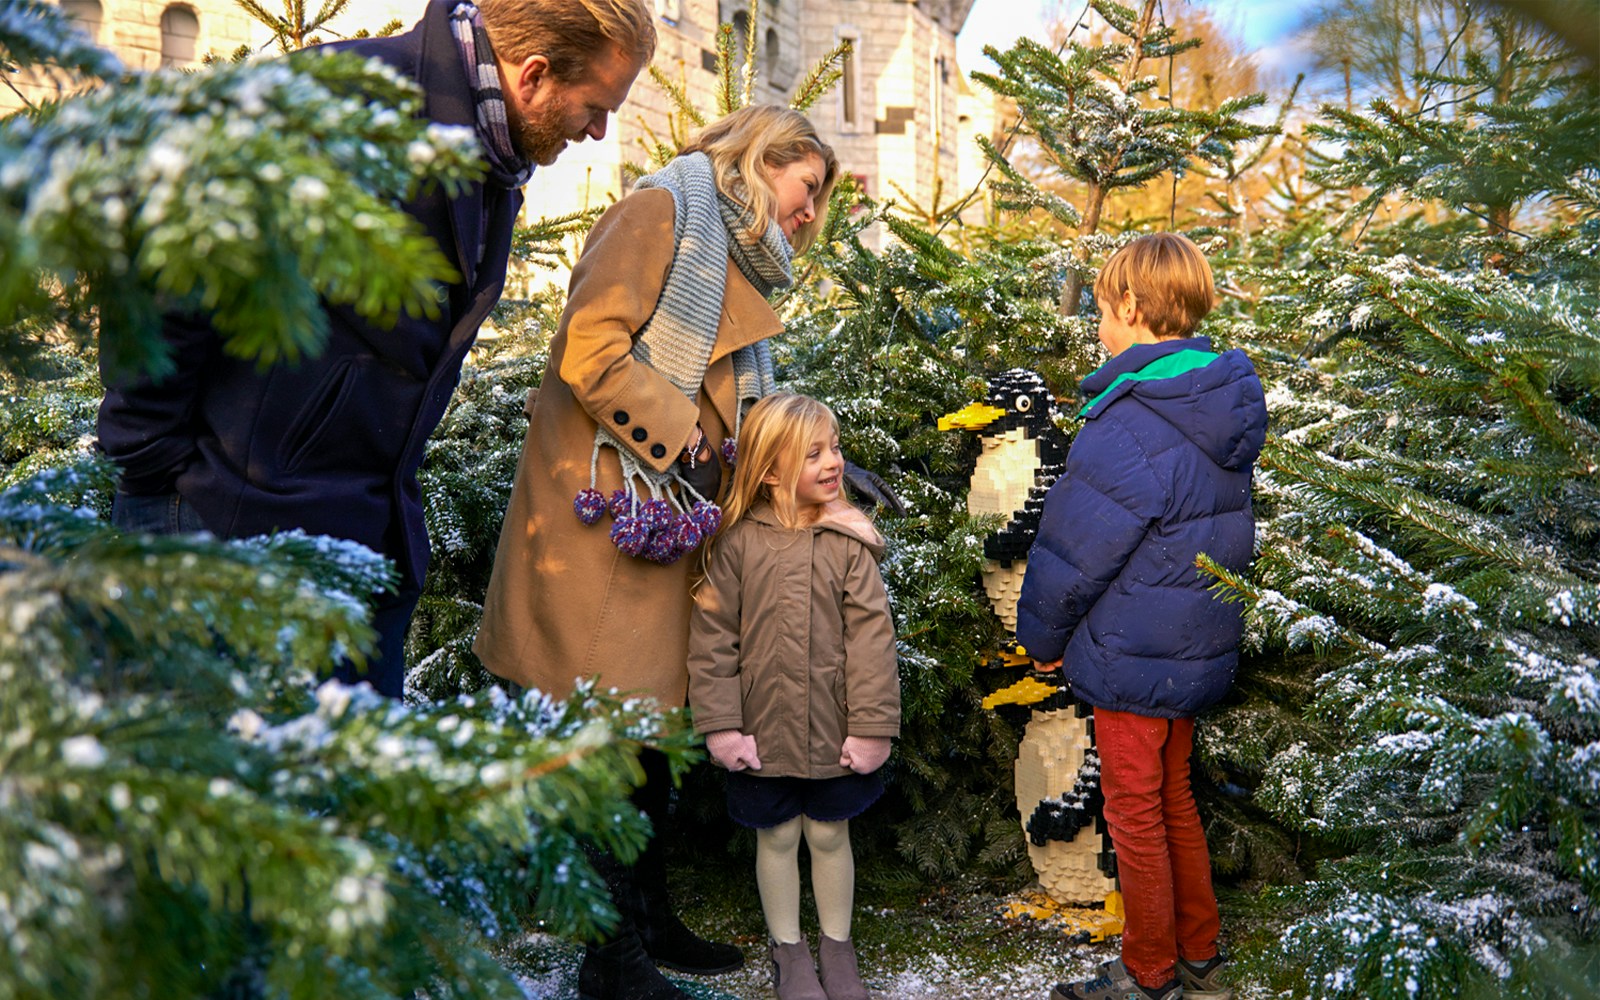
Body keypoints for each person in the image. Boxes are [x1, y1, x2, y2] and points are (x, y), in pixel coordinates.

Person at [95, 0, 657, 699]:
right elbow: (166, 264)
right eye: (596, 105)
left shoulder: (495, 158)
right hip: (227, 535)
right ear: (534, 75)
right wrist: (154, 464)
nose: (600, 130)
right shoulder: (332, 101)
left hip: (363, 549)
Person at [473, 106, 839, 1000]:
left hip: (664, 518)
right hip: (604, 520)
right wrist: (697, 447)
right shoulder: (662, 212)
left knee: (646, 736)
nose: (814, 211)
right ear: (766, 157)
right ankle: (611, 958)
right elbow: (590, 354)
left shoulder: (725, 243)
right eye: (809, 187)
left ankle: (645, 918)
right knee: (607, 734)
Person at [1015, 233, 1267, 1000]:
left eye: (1102, 310)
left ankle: (1149, 972)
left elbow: (1075, 551)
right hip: (1193, 644)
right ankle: (1199, 955)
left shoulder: (1132, 418)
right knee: (1174, 796)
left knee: (1135, 813)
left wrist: (1042, 637)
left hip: (1131, 652)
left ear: (1132, 305)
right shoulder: (1216, 401)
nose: (1099, 328)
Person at [687, 393, 900, 1000]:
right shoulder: (735, 544)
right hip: (762, 728)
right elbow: (712, 640)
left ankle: (838, 949)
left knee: (830, 834)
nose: (833, 462)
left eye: (834, 447)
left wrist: (872, 728)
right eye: (814, 454)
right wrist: (722, 725)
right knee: (777, 837)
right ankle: (790, 952)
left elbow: (871, 643)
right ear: (771, 470)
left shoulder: (848, 543)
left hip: (835, 730)